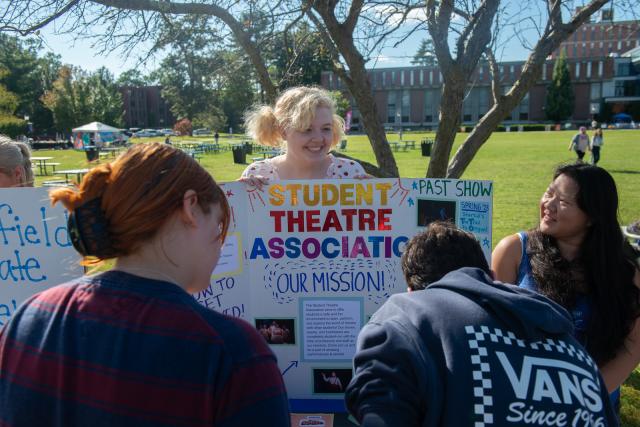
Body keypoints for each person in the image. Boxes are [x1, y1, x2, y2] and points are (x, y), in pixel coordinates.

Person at [0, 143, 290, 426]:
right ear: (190, 208)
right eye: (218, 226)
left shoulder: (30, 318)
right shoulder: (233, 352)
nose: (220, 244)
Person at [346, 221, 617, 426]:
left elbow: (381, 410)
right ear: (490, 276)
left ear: (411, 289)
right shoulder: (573, 351)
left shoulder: (407, 316)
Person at [492, 163, 640, 414]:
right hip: (524, 406)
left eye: (563, 201)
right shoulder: (513, 252)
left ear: (592, 216)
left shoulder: (625, 273)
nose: (548, 205)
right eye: (549, 193)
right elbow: (493, 333)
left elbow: (633, 345)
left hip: (594, 404)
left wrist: (587, 394)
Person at [240, 86, 366, 184]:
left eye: (326, 128)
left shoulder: (350, 172)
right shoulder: (258, 174)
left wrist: (378, 196)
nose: (318, 138)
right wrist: (238, 195)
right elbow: (232, 216)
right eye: (307, 129)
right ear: (284, 131)